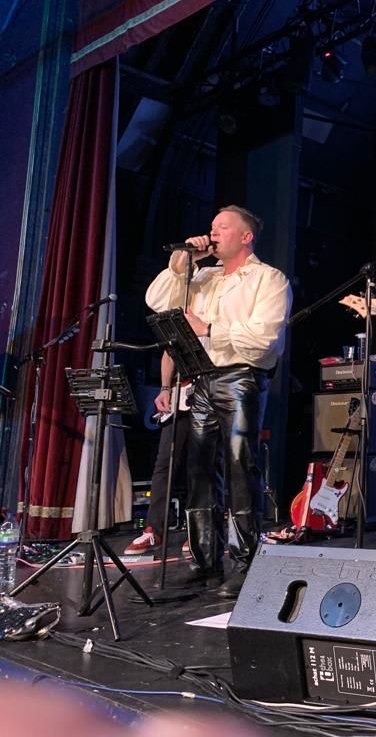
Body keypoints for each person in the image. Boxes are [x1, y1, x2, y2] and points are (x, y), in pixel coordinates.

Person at [145, 205, 291, 598]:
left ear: (246, 236)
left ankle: (245, 562)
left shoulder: (268, 278)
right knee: (199, 470)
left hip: (241, 377)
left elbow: (265, 338)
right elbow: (157, 300)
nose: (213, 233)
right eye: (211, 227)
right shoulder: (204, 277)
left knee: (241, 466)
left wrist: (210, 327)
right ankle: (204, 560)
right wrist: (184, 263)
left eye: (222, 227)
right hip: (201, 378)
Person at [124, 352, 192, 556]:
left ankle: (199, 530)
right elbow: (169, 353)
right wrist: (164, 388)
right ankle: (154, 530)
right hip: (179, 393)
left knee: (201, 465)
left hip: (208, 392)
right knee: (164, 464)